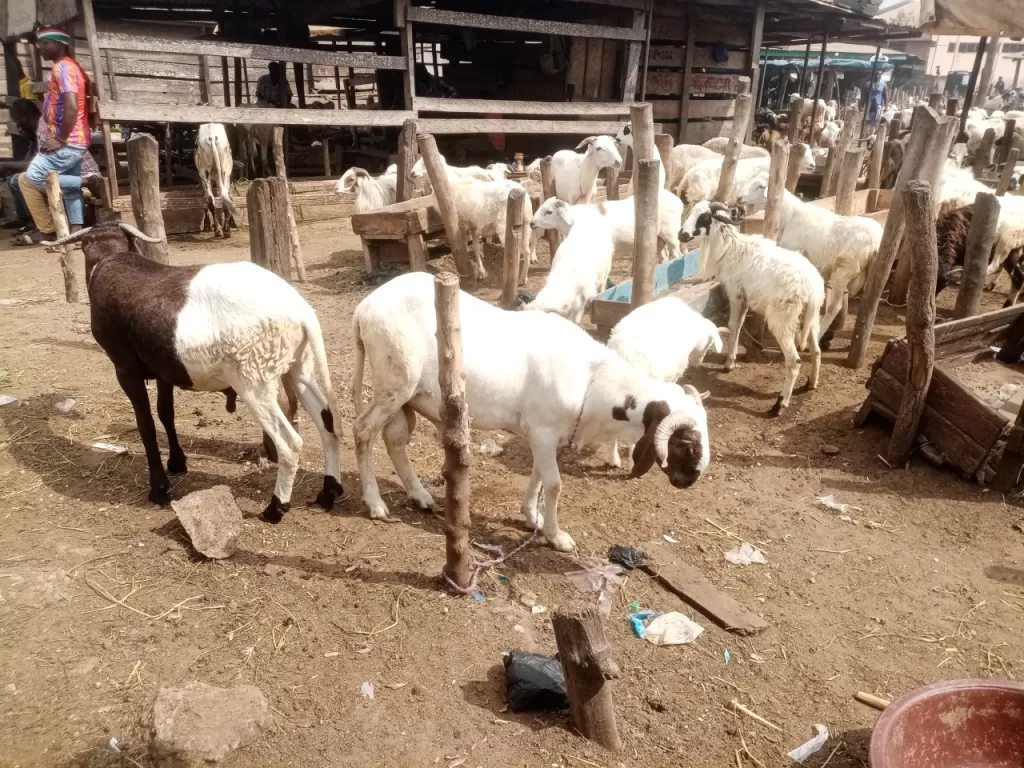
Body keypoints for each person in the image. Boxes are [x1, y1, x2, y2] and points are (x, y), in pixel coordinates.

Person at [16, 27, 101, 244]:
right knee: (70, 191)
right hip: (75, 139)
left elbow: (71, 106)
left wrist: (60, 138)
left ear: (58, 45)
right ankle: (75, 231)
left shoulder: (63, 68)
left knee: (35, 176)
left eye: (45, 43)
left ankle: (88, 180)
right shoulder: (68, 67)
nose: (40, 48)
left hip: (68, 140)